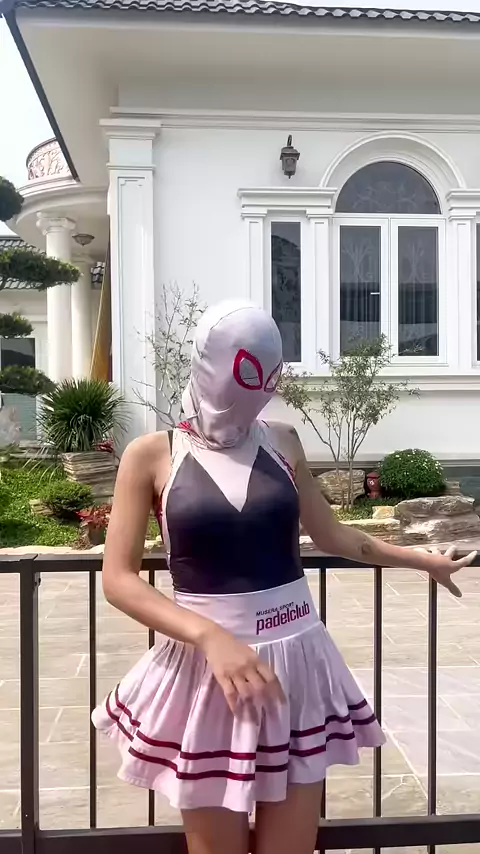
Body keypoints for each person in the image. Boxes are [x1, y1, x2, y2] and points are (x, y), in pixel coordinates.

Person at [92, 300, 475, 854]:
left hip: (297, 660)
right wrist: (209, 637)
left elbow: (333, 535)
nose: (254, 390)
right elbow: (118, 578)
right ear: (206, 364)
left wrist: (422, 559)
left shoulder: (283, 440)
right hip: (208, 671)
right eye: (244, 370)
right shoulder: (152, 453)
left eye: (267, 375)